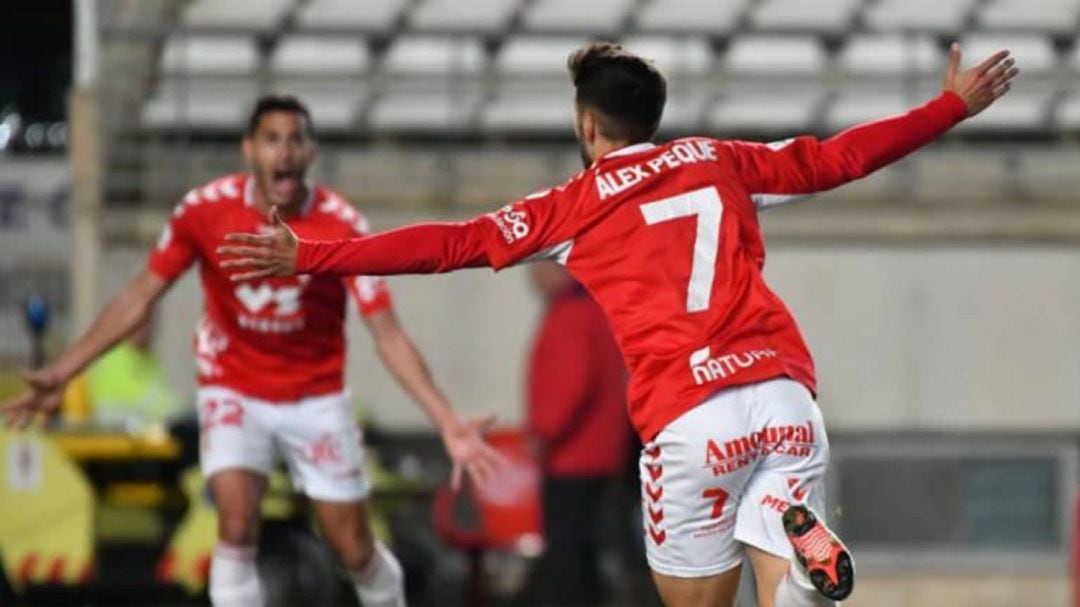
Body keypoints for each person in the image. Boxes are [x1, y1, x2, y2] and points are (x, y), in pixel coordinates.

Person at [214, 44, 1018, 606]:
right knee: (777, 564)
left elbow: (450, 243)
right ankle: (794, 567)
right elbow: (841, 156)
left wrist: (312, 255)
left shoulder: (572, 205)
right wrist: (951, 104)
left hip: (689, 413)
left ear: (587, 127)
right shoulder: (721, 159)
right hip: (783, 393)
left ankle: (788, 559)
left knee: (692, 596)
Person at [1, 96, 503, 607]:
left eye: (295, 139)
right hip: (233, 386)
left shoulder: (341, 224)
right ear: (249, 150)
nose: (283, 152)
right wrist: (64, 371)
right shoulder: (204, 211)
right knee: (236, 524)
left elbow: (387, 332)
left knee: (351, 546)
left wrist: (445, 419)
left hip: (314, 394)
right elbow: (139, 296)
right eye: (271, 139)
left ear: (310, 152)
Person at [524, 261, 629, 606]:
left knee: (569, 555)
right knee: (585, 549)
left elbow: (571, 382)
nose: (532, 277)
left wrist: (544, 433)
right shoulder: (594, 310)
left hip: (573, 455)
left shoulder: (572, 314)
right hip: (598, 450)